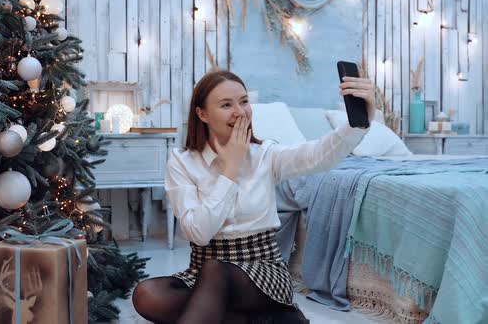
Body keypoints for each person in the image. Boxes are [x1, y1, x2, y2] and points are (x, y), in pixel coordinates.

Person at [132, 70, 375, 324]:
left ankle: (245, 312)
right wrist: (230, 170)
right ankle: (257, 319)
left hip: (263, 272)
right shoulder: (181, 162)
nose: (240, 112)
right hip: (203, 272)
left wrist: (359, 122)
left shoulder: (265, 155)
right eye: (226, 105)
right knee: (148, 294)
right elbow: (199, 234)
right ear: (202, 114)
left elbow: (318, 155)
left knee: (215, 272)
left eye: (244, 101)